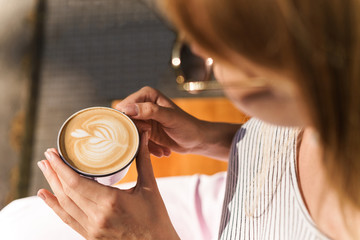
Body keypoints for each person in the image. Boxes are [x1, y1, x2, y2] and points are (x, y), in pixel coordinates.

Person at [1, 0, 360, 239]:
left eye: (211, 49)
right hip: (230, 196)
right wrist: (218, 140)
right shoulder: (338, 104)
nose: (200, 52)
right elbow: (299, 155)